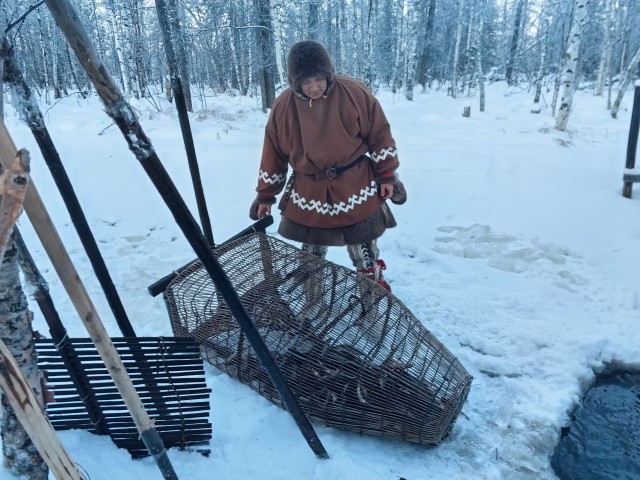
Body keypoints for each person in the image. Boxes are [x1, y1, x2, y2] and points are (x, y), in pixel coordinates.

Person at [250, 39, 405, 291]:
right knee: (310, 257)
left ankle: (372, 293)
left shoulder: (353, 93)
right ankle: (312, 302)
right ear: (295, 82)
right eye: (306, 82)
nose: (314, 87)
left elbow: (379, 134)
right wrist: (266, 195)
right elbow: (273, 153)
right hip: (309, 189)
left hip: (355, 184)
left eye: (319, 79)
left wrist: (386, 174)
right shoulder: (283, 107)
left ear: (328, 73)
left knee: (363, 249)